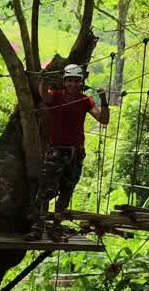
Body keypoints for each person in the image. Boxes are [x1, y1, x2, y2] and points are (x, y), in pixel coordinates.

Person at [27, 63, 109, 240]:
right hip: (56, 151)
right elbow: (44, 94)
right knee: (46, 191)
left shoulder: (86, 101)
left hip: (76, 153)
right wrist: (44, 79)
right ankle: (38, 227)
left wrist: (104, 100)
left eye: (76, 81)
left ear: (81, 82)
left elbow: (103, 119)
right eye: (70, 81)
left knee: (66, 190)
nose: (73, 84)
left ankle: (56, 225)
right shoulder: (55, 97)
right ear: (64, 82)